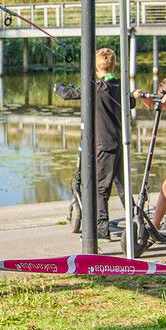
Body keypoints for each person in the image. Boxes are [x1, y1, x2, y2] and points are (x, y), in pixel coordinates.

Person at [55, 47, 135, 243]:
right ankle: (136, 223)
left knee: (101, 190)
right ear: (113, 65)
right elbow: (131, 102)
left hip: (103, 146)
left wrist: (58, 86)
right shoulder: (119, 86)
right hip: (119, 144)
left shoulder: (95, 89)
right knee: (123, 187)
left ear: (96, 69)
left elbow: (68, 94)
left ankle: (102, 230)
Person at [135, 77, 166, 231]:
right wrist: (141, 95)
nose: (165, 104)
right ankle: (154, 227)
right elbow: (154, 104)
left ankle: (155, 225)